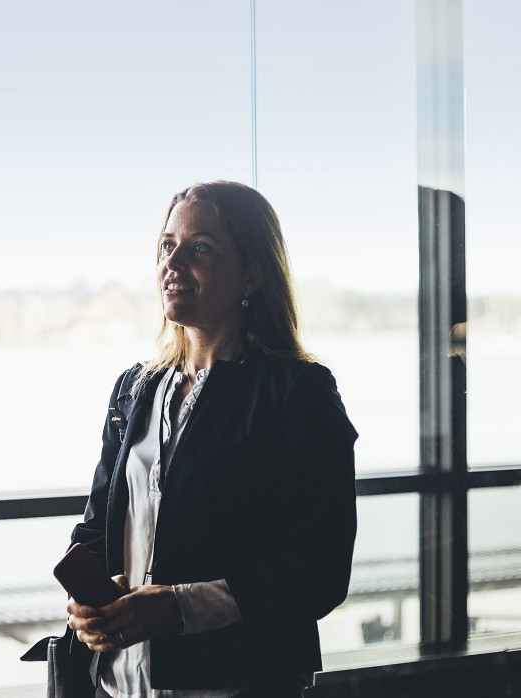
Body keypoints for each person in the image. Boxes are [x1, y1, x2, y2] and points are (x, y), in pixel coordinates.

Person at [65, 181, 358, 697]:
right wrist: (84, 605)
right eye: (166, 244)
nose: (173, 263)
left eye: (200, 248)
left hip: (239, 685)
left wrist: (178, 606)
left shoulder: (298, 392)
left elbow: (319, 571)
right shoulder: (135, 389)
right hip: (119, 685)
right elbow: (95, 530)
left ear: (253, 272)